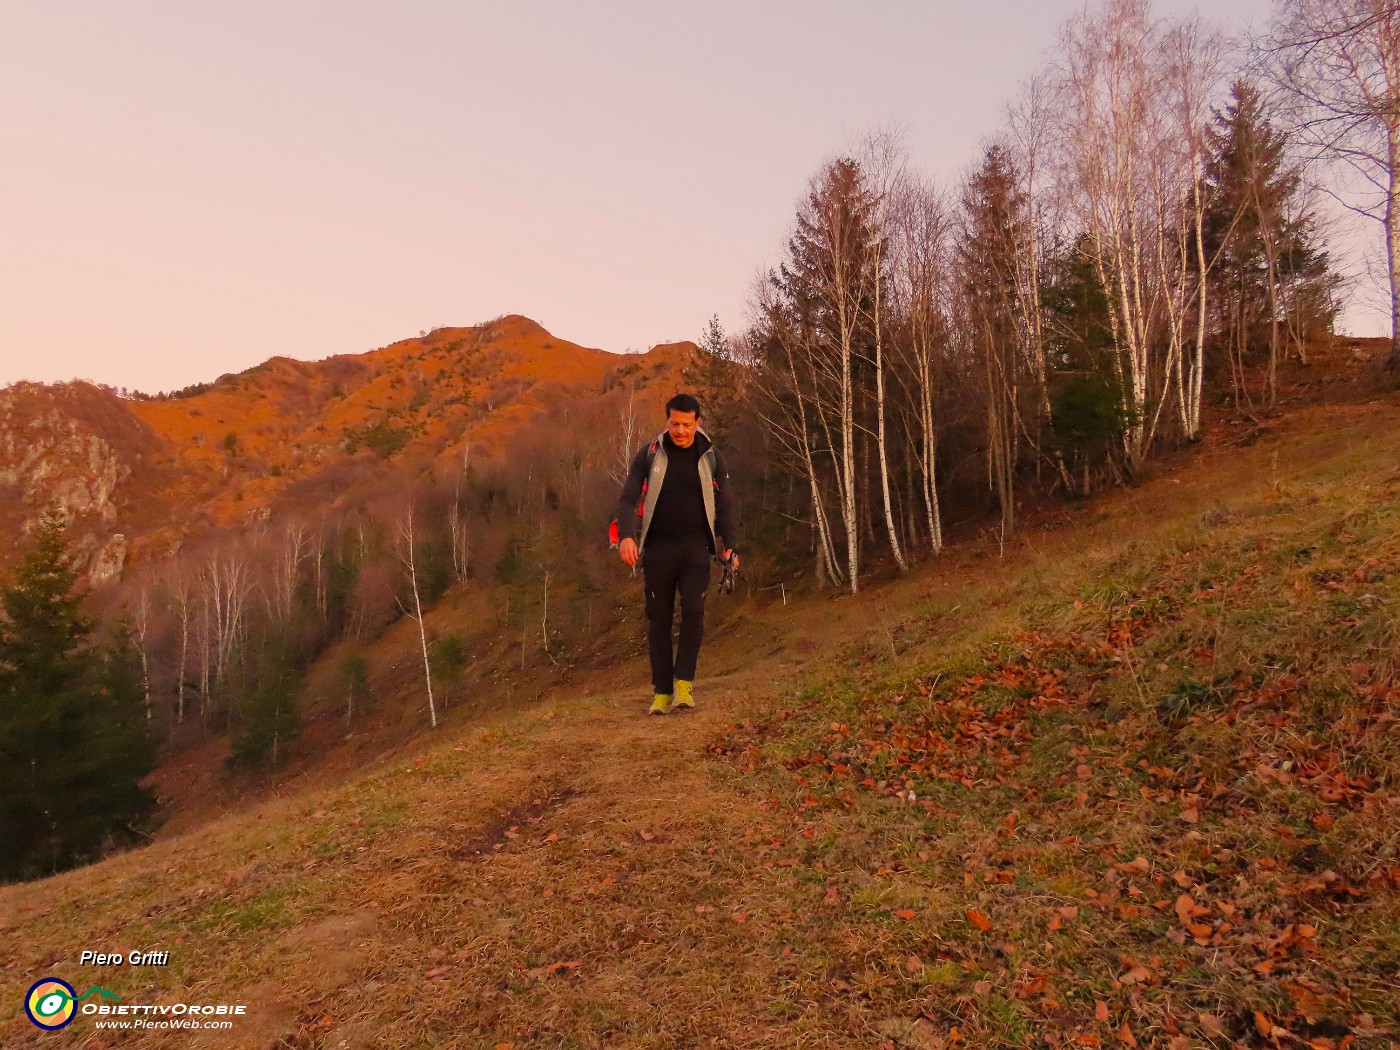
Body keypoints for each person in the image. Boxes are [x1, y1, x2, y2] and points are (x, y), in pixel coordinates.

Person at [613, 393, 739, 715]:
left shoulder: (711, 456)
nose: (680, 430)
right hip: (658, 548)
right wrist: (627, 536)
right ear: (667, 421)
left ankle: (684, 685)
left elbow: (724, 504)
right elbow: (627, 497)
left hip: (696, 546)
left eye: (686, 424)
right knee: (659, 619)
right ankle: (662, 692)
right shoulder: (650, 454)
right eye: (674, 424)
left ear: (698, 422)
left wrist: (730, 544)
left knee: (694, 612)